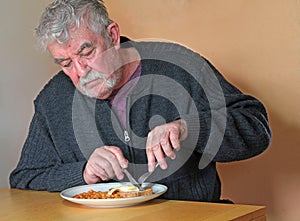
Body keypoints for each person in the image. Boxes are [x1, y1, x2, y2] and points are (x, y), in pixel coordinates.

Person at [10, 0, 271, 202]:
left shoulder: (180, 66)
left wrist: (188, 127)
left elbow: (256, 127)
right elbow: (24, 178)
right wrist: (83, 173)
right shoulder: (53, 99)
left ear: (112, 35)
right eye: (66, 63)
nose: (80, 72)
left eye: (86, 52)